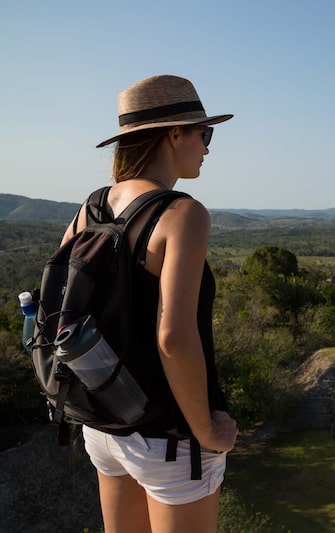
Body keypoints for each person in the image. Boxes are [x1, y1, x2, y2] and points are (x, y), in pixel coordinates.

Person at [62, 75, 238, 533]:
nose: (207, 148)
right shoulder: (182, 213)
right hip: (169, 436)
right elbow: (174, 338)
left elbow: (59, 306)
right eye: (204, 134)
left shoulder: (91, 208)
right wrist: (205, 428)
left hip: (104, 421)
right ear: (174, 134)